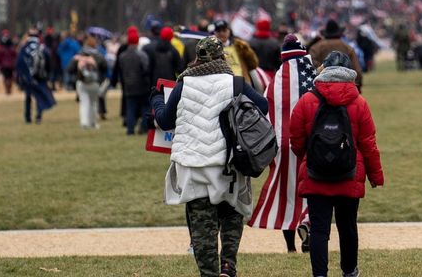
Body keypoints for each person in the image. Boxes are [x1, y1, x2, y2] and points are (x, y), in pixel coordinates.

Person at [151, 36, 269, 277]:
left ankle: (209, 273)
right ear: (222, 56)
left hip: (194, 165)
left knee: (202, 227)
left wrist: (156, 99)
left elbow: (165, 121)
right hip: (228, 163)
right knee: (231, 215)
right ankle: (228, 264)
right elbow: (263, 106)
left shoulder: (184, 84)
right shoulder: (235, 83)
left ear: (197, 57)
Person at [286, 52, 384, 277]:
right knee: (347, 228)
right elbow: (369, 144)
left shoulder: (307, 100)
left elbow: (296, 140)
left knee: (319, 230)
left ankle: (320, 274)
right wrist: (375, 176)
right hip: (349, 173)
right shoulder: (359, 102)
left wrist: (307, 157)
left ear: (324, 71)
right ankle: (349, 271)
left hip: (315, 172)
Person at [249, 35, 318, 255]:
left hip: (281, 145)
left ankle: (290, 247)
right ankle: (307, 224)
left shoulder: (275, 83)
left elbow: (265, 113)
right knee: (312, 190)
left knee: (285, 195)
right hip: (309, 145)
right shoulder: (313, 79)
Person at [113, 27, 153, 136]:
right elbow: (146, 69)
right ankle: (144, 128)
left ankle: (130, 130)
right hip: (142, 86)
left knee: (130, 108)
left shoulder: (122, 56)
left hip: (128, 85)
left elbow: (121, 70)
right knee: (145, 107)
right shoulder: (142, 55)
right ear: (137, 41)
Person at [16, 28, 56, 123]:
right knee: (39, 95)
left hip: (28, 77)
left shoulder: (24, 48)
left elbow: (19, 62)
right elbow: (48, 61)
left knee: (28, 96)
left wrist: (20, 75)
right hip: (40, 76)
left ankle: (27, 117)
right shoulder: (42, 47)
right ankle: (39, 115)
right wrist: (48, 74)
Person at [211, 20, 260, 89]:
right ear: (215, 33)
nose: (222, 33)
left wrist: (247, 51)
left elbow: (253, 64)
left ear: (229, 31)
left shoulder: (239, 46)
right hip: (222, 85)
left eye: (224, 30)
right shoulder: (211, 48)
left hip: (243, 82)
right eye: (219, 31)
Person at [73, 36, 107, 130]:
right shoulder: (98, 55)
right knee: (93, 103)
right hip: (95, 83)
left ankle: (84, 123)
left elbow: (70, 68)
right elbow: (105, 66)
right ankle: (93, 123)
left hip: (82, 82)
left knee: (84, 103)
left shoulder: (80, 54)